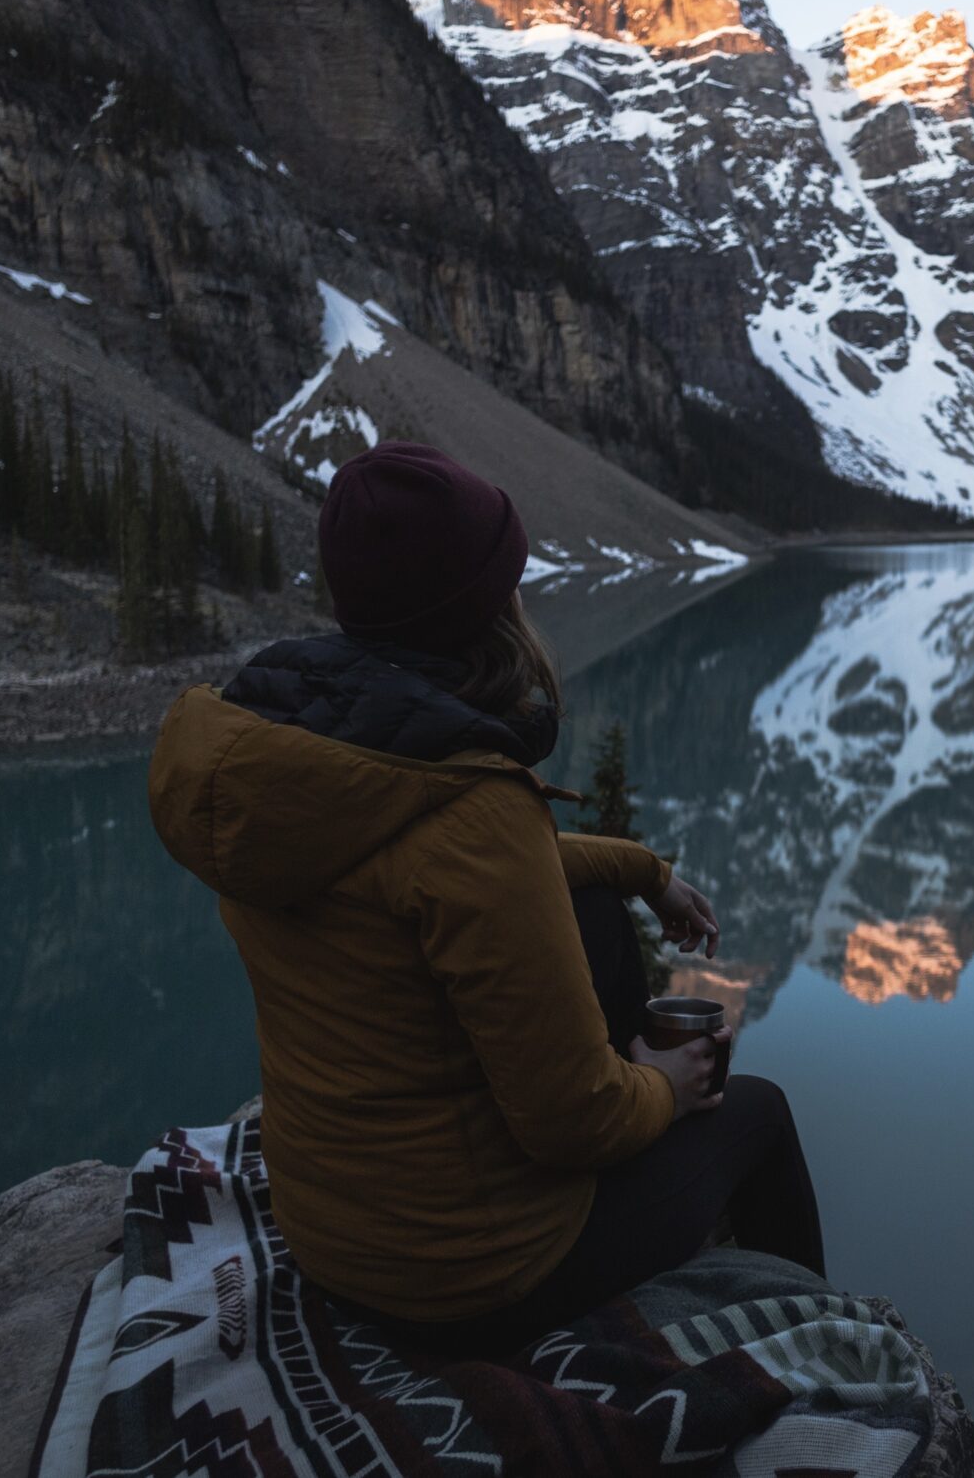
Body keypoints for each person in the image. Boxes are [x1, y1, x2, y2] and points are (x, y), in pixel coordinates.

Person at [147, 441, 823, 1359]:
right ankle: (816, 1348)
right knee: (762, 1111)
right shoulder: (471, 808)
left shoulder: (305, 757)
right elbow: (570, 1119)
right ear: (484, 604)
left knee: (585, 912)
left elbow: (453, 870)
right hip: (469, 1277)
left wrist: (640, 869)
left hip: (330, 1233)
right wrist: (663, 1087)